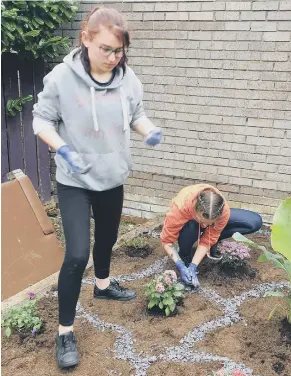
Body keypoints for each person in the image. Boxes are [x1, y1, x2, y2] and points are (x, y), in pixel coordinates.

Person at [32, 7, 162, 369]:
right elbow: (41, 120)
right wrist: (63, 148)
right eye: (106, 48)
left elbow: (136, 114)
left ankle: (103, 288)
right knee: (77, 255)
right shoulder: (61, 78)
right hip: (75, 179)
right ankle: (64, 332)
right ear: (85, 38)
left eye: (118, 50)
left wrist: (148, 130)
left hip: (111, 177)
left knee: (106, 241)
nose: (113, 57)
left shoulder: (128, 78)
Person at [160, 184, 262, 288]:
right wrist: (180, 265)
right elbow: (167, 241)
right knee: (191, 227)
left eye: (211, 223)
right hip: (189, 222)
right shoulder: (180, 208)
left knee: (254, 221)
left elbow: (210, 236)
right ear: (195, 210)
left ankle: (213, 241)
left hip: (208, 218)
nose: (205, 225)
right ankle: (185, 255)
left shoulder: (223, 211)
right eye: (202, 221)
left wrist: (193, 266)